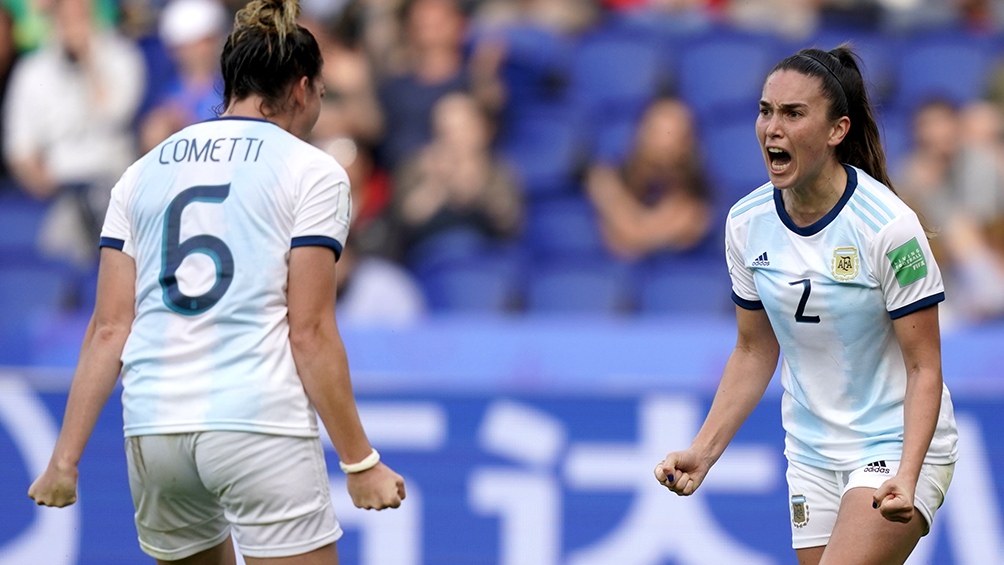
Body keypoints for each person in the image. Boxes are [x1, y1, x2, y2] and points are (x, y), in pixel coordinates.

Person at [26, 1, 406, 564]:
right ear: (301, 89)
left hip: (154, 431)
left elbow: (109, 328)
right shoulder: (313, 170)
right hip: (258, 424)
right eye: (322, 96)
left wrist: (65, 459)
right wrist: (359, 461)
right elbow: (310, 331)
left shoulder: (141, 172)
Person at [654, 45, 959, 565]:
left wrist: (908, 475)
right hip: (812, 456)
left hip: (894, 445)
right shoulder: (746, 223)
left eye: (794, 114)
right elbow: (753, 351)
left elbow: (924, 365)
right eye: (766, 110)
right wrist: (702, 452)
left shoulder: (889, 227)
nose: (773, 128)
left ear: (837, 130)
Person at [3, 0, 145, 267]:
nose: (72, 23)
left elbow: (115, 115)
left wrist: (89, 61)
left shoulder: (123, 56)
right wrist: (40, 181)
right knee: (61, 232)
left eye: (79, 14)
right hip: (59, 188)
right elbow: (18, 145)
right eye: (65, 15)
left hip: (110, 181)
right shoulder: (32, 71)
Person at [585, 97, 713, 261]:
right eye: (657, 129)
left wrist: (635, 233)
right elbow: (622, 237)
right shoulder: (607, 175)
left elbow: (629, 239)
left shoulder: (696, 191)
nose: (664, 141)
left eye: (673, 132)